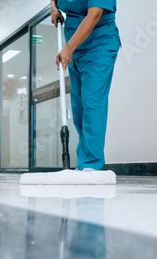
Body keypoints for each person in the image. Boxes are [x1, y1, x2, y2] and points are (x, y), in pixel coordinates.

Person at [51, 0, 121, 171]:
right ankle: (84, 161)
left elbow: (95, 15)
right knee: (79, 108)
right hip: (75, 45)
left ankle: (90, 165)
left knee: (92, 102)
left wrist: (68, 48)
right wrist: (53, 7)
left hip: (99, 43)